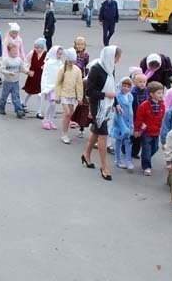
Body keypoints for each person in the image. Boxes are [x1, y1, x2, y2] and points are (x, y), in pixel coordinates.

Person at [82, 45, 122, 181]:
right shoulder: (96, 69)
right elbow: (89, 92)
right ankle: (104, 167)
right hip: (97, 105)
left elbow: (112, 88)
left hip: (107, 104)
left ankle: (86, 155)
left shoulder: (111, 67)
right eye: (117, 57)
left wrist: (116, 103)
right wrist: (105, 95)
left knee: (97, 131)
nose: (118, 60)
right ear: (110, 56)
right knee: (103, 134)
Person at [133, 81, 165, 176]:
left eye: (162, 92)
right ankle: (146, 166)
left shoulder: (162, 105)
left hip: (156, 131)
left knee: (155, 148)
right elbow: (139, 118)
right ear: (151, 94)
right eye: (158, 93)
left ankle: (145, 157)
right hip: (147, 132)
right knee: (147, 149)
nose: (161, 95)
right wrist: (137, 130)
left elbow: (162, 118)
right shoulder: (144, 105)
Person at [55, 48, 83, 144]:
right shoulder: (62, 69)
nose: (71, 63)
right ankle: (64, 134)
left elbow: (79, 84)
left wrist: (80, 97)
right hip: (64, 94)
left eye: (73, 61)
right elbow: (58, 83)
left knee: (69, 114)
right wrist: (57, 96)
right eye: (70, 61)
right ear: (67, 60)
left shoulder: (77, 70)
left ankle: (65, 131)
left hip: (72, 95)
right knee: (67, 113)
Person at [0, 42, 27, 118]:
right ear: (9, 51)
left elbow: (22, 68)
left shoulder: (19, 59)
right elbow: (1, 69)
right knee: (4, 96)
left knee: (16, 96)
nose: (15, 52)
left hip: (16, 82)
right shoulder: (6, 60)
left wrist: (27, 72)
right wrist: (9, 73)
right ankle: (1, 108)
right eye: (13, 50)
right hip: (7, 82)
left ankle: (19, 111)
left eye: (16, 50)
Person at [111, 77, 135, 171]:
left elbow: (131, 111)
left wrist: (131, 124)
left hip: (129, 123)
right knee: (119, 142)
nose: (126, 88)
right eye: (124, 86)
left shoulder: (130, 96)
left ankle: (129, 161)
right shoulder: (118, 97)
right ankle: (118, 160)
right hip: (120, 124)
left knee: (128, 142)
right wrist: (123, 127)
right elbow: (117, 114)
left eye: (128, 86)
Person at [39, 46, 63, 129]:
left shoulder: (60, 63)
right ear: (54, 53)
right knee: (51, 103)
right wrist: (45, 87)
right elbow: (45, 75)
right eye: (59, 54)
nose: (60, 56)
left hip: (57, 87)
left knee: (54, 104)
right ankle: (46, 119)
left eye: (61, 54)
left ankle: (50, 120)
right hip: (49, 87)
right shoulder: (49, 63)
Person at [22, 38, 47, 113]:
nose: (36, 49)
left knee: (40, 93)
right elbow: (26, 61)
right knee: (30, 92)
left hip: (41, 76)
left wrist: (45, 67)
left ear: (42, 48)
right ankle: (24, 103)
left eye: (38, 47)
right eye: (35, 47)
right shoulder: (32, 53)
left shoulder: (46, 54)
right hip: (33, 75)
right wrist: (27, 71)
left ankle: (39, 111)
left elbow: (48, 64)